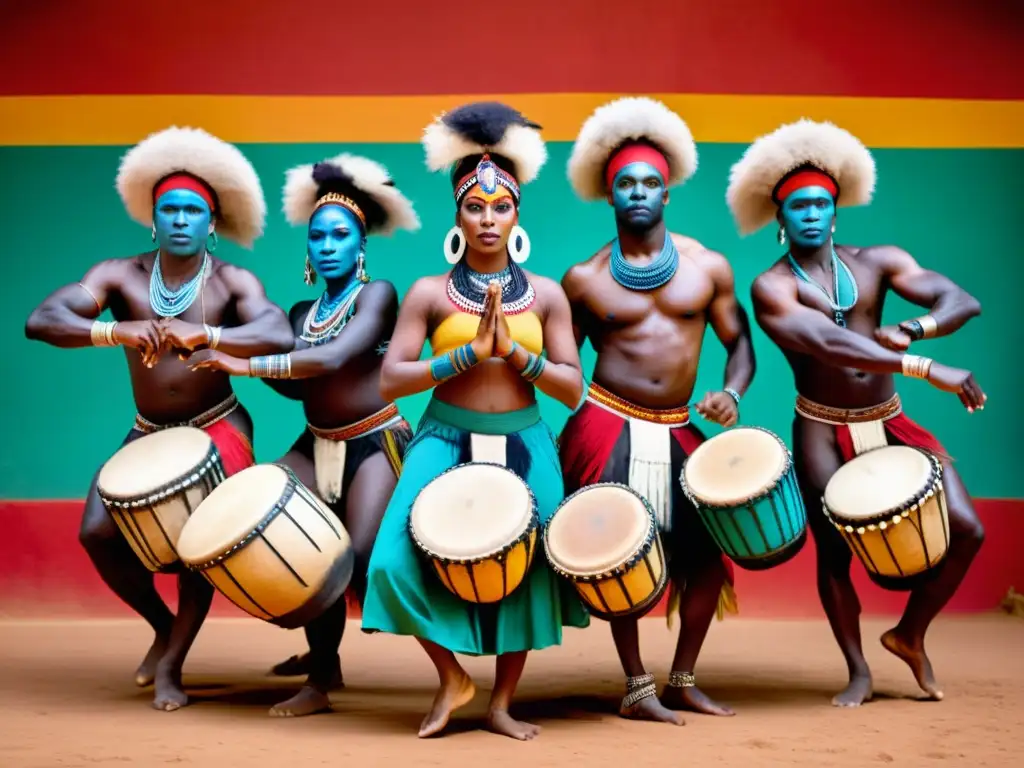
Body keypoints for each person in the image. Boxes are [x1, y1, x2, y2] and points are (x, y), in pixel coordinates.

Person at [24, 126, 295, 711]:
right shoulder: (118, 275)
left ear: (210, 222)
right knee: (95, 531)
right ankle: (162, 626)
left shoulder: (230, 281)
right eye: (169, 208)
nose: (179, 219)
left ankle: (173, 663)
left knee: (197, 546)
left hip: (217, 424)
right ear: (153, 217)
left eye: (192, 210)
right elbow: (42, 318)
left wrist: (211, 333)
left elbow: (278, 332)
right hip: (149, 431)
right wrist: (112, 329)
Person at [728, 118, 986, 707]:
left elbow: (960, 300)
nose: (811, 214)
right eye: (798, 206)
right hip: (821, 425)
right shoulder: (772, 288)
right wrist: (925, 366)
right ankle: (858, 670)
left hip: (890, 418)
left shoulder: (877, 261)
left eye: (821, 203)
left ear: (836, 212)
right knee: (836, 553)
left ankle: (909, 635)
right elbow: (826, 342)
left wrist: (915, 326)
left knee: (968, 528)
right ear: (781, 219)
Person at [360, 102, 590, 741]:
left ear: (517, 213)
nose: (488, 218)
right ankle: (452, 676)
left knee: (532, 563)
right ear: (457, 215)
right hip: (443, 437)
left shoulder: (546, 294)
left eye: (501, 207)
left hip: (524, 438)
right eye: (474, 207)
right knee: (391, 562)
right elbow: (391, 379)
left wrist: (514, 354)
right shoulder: (429, 293)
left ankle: (501, 704)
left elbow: (573, 389)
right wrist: (463, 355)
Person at [188, 152, 420, 716]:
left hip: (373, 440)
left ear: (360, 245)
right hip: (316, 441)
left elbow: (334, 357)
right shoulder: (298, 312)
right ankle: (322, 672)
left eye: (341, 235)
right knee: (272, 523)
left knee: (356, 556)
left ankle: (446, 663)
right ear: (309, 248)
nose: (328, 245)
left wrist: (245, 365)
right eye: (319, 237)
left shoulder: (378, 296)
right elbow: (299, 387)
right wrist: (225, 361)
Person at [560, 97, 754, 723]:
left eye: (650, 183)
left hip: (679, 428)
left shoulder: (708, 268)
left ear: (666, 194)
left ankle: (682, 678)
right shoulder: (584, 279)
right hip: (608, 421)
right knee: (618, 555)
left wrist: (732, 392)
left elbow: (740, 344)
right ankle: (637, 685)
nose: (639, 193)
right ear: (609, 196)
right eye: (626, 184)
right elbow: (566, 363)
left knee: (707, 559)